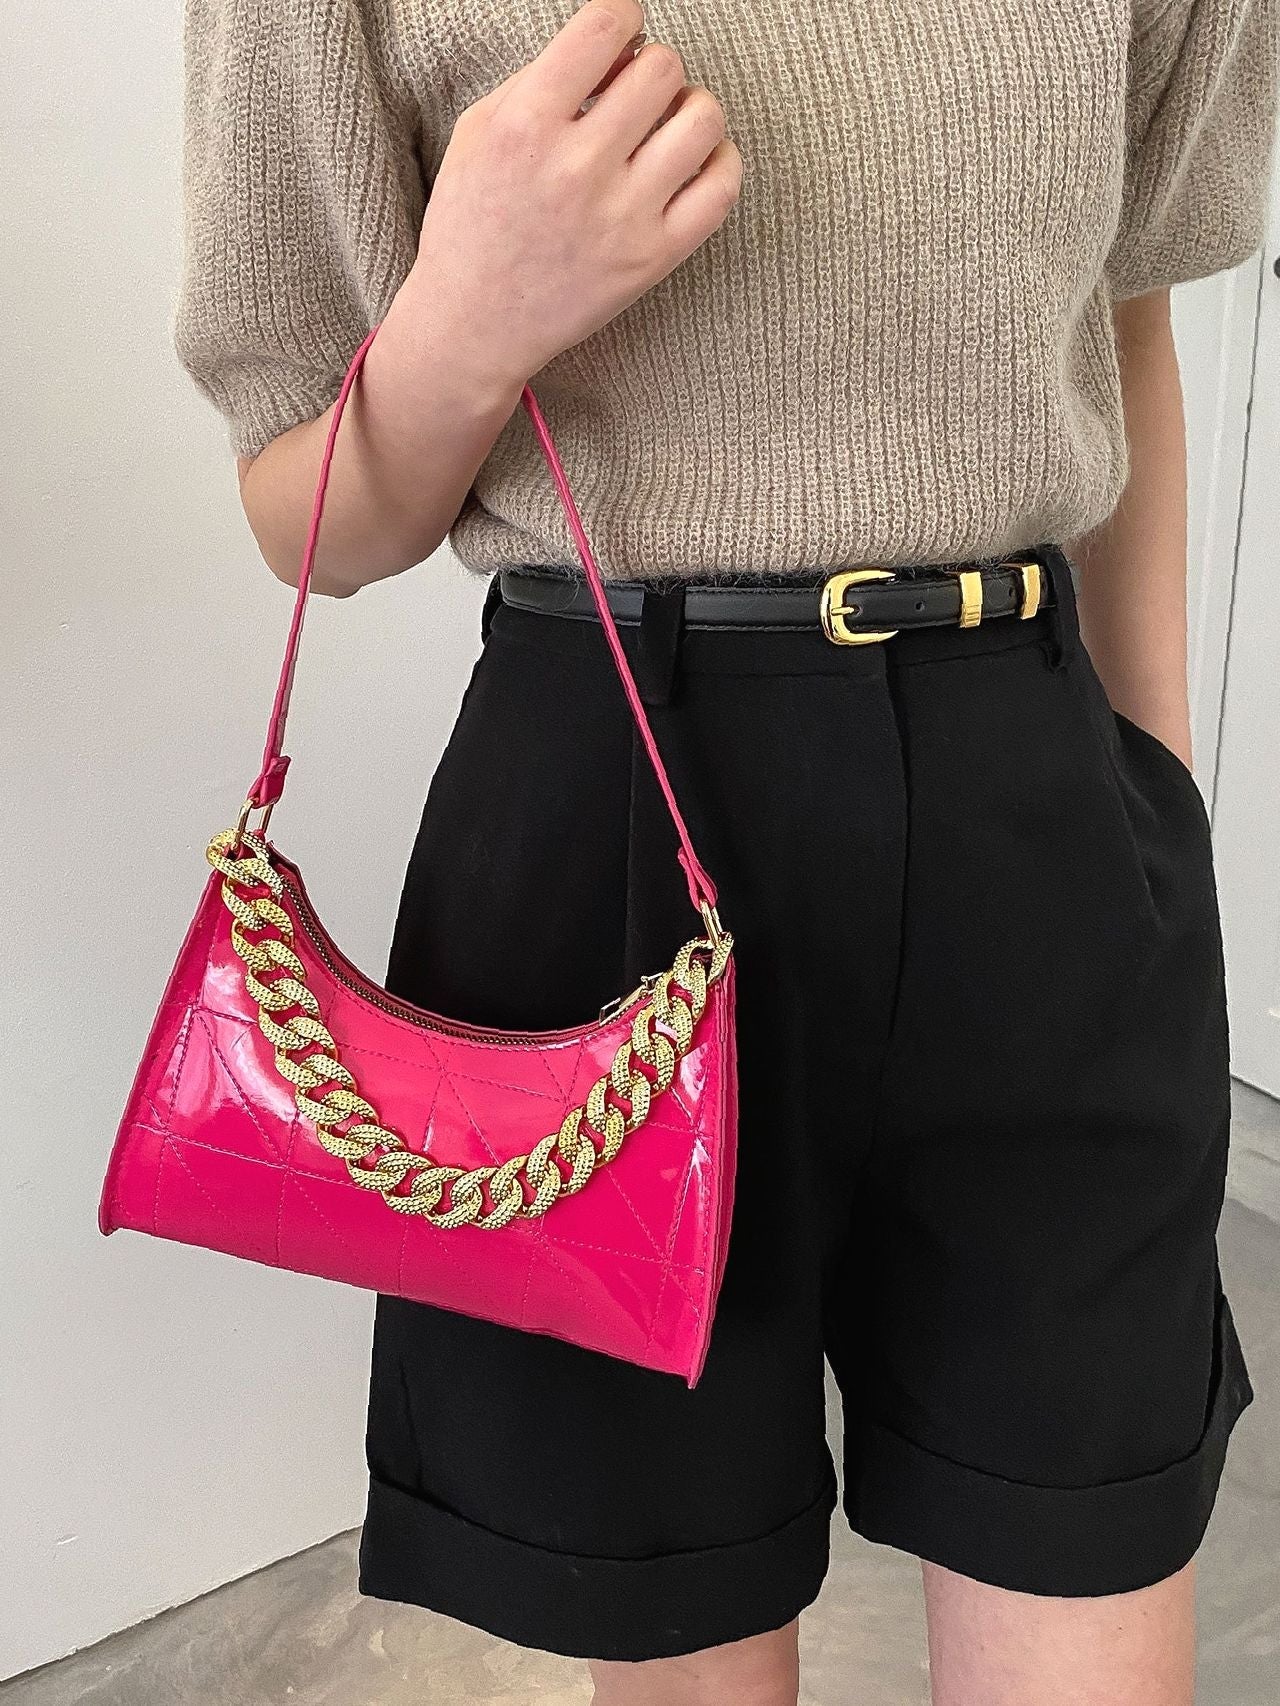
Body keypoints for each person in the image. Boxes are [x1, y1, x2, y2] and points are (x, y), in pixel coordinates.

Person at [173, 1, 1279, 1701]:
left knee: (1094, 1546)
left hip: (1040, 810)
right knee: (675, 1618)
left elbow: (1124, 318)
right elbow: (301, 512)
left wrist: (1160, 819)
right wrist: (468, 321)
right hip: (612, 802)